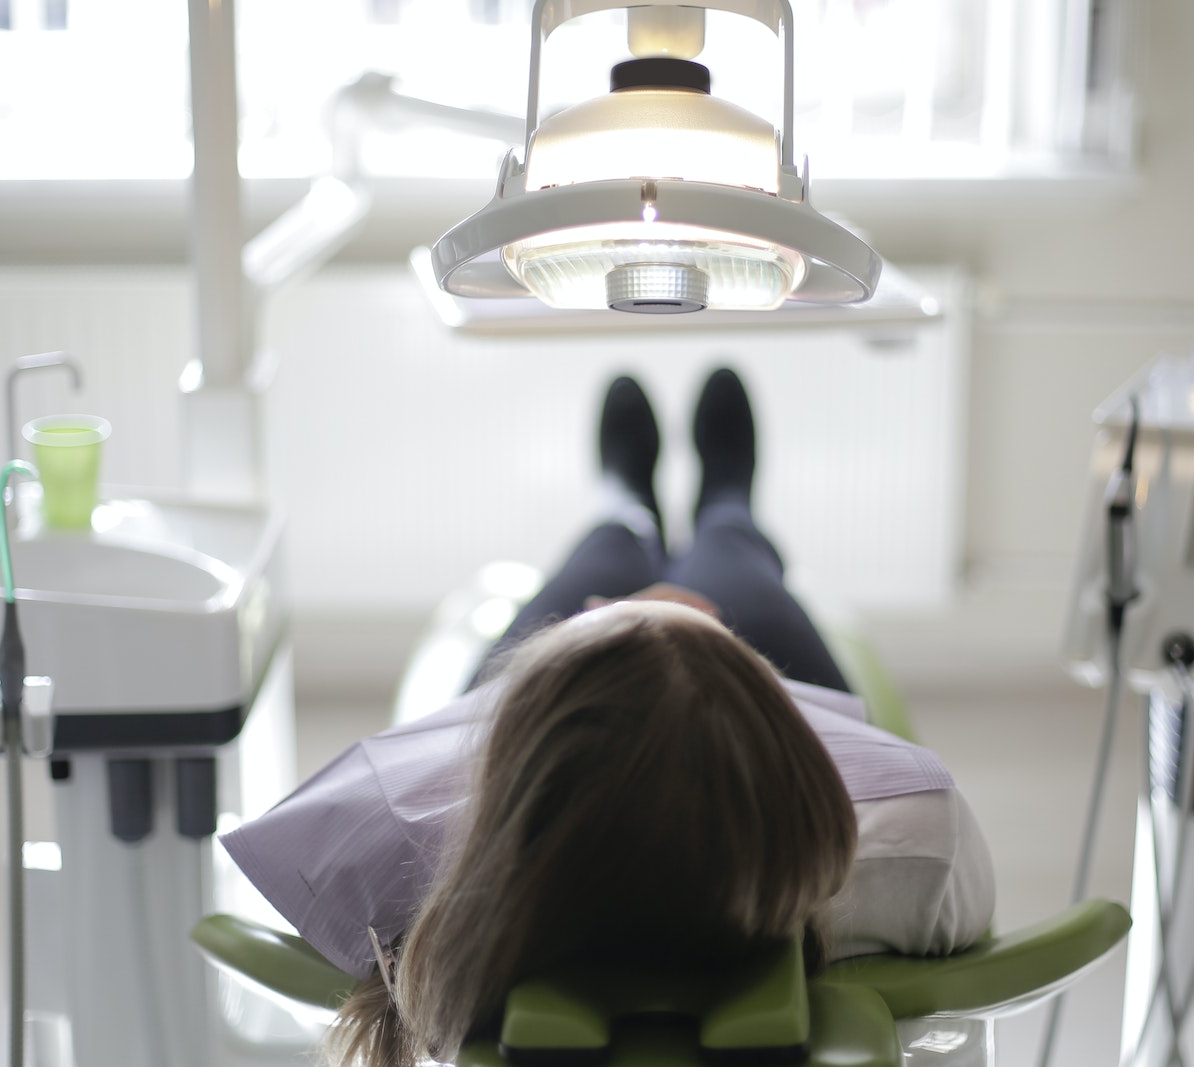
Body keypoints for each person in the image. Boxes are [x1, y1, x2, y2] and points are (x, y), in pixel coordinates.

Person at [221, 369, 995, 1067]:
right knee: (732, 550)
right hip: (686, 709)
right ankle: (726, 505)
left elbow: (270, 892)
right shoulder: (912, 839)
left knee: (603, 549)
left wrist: (594, 642)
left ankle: (625, 509)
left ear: (514, 748)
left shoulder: (398, 848)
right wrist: (699, 641)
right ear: (767, 699)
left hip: (566, 715)